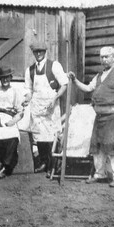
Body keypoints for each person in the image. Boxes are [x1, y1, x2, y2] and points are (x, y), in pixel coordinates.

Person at [68, 46, 114, 188]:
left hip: (113, 117)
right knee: (97, 147)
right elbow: (88, 88)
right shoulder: (100, 75)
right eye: (101, 57)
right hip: (99, 117)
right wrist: (75, 80)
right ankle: (100, 174)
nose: (104, 59)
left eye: (107, 56)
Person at [23, 40, 68, 178]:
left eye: (41, 52)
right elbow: (29, 89)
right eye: (36, 52)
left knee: (52, 137)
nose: (38, 54)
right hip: (37, 107)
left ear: (45, 52)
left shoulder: (54, 66)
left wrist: (54, 99)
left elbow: (64, 85)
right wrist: (27, 99)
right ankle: (43, 162)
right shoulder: (30, 70)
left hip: (51, 107)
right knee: (39, 137)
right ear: (33, 53)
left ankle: (53, 165)